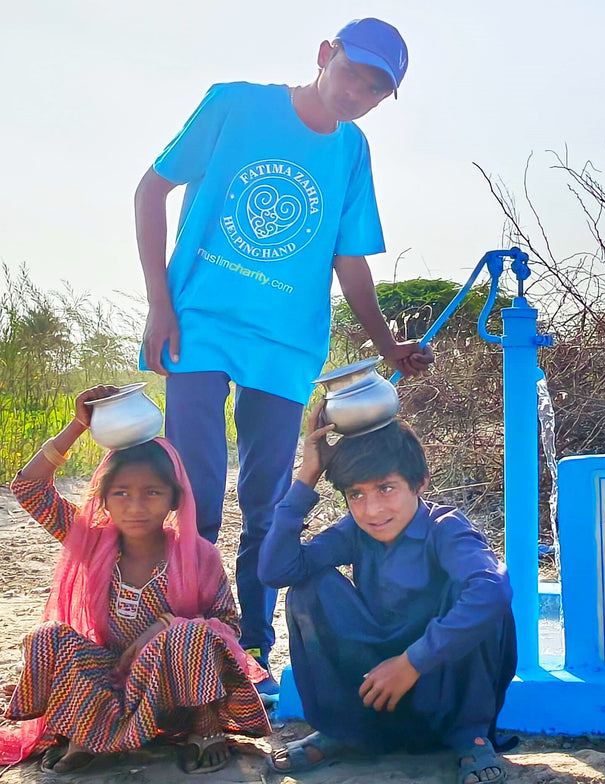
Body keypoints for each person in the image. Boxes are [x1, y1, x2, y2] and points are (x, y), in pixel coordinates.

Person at [133, 17, 433, 698]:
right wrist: (161, 302)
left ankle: (252, 649)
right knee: (199, 491)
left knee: (268, 500)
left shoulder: (351, 151)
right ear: (325, 54)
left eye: (377, 88)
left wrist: (387, 345)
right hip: (201, 322)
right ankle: (190, 632)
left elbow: (348, 259)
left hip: (288, 343)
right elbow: (151, 189)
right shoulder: (236, 103)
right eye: (354, 71)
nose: (359, 91)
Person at [0, 386, 270, 774]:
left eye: (152, 493)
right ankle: (86, 732)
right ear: (104, 499)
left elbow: (226, 628)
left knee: (189, 634)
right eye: (122, 493)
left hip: (177, 697)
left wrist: (161, 629)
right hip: (113, 680)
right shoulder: (93, 543)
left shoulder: (198, 555)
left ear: (174, 499)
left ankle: (205, 730)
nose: (136, 506)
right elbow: (28, 488)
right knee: (49, 637)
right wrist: (79, 425)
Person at [258, 402, 516, 783]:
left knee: (482, 597)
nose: (373, 509)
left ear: (420, 482)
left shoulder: (445, 528)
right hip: (376, 688)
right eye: (356, 494)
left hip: (442, 688)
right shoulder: (356, 531)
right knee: (308, 587)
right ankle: (344, 731)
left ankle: (471, 736)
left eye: (386, 488)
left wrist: (413, 661)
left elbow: (493, 590)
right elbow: (277, 570)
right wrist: (307, 475)